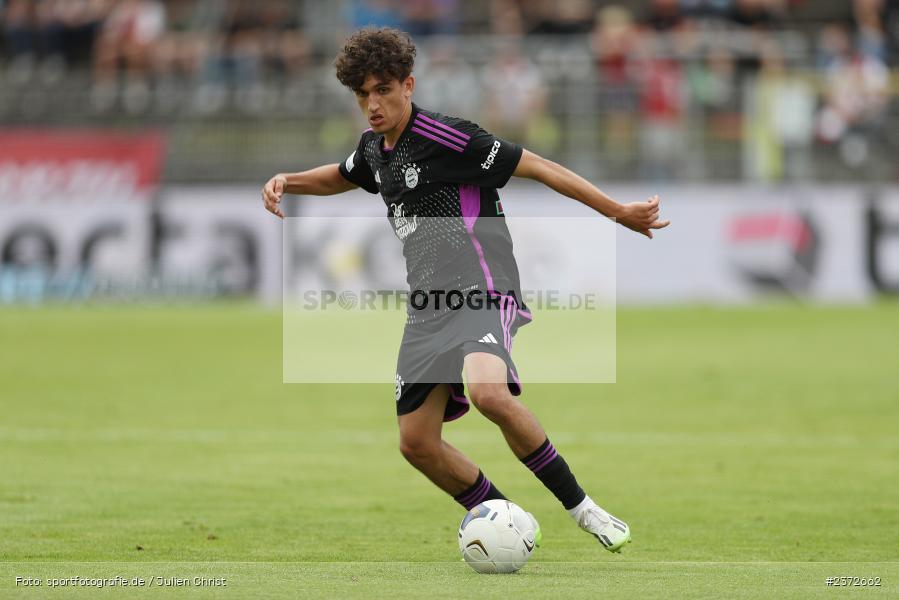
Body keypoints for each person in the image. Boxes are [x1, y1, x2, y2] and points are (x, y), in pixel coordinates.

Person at [261, 28, 668, 553]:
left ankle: (584, 509)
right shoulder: (374, 150)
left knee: (488, 393)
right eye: (362, 94)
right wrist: (288, 180)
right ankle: (508, 519)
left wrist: (617, 211)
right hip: (427, 305)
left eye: (383, 90)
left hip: (482, 285)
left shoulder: (448, 137)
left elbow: (538, 166)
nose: (373, 104)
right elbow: (341, 175)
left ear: (408, 85)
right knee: (416, 443)